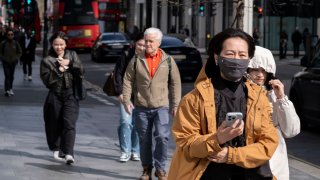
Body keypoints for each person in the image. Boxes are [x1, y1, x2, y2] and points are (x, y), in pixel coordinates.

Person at [167, 28, 278, 180]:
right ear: (217, 57)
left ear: (249, 59)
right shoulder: (194, 99)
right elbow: (186, 142)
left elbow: (268, 144)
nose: (236, 59)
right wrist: (217, 139)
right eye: (230, 54)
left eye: (242, 55)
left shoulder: (259, 98)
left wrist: (230, 155)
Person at [122, 27, 181, 180]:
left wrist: (175, 104)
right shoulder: (136, 60)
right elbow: (128, 80)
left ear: (158, 43)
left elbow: (175, 83)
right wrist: (127, 100)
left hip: (161, 106)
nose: (147, 44)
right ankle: (147, 169)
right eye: (146, 41)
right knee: (145, 140)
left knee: (162, 137)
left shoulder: (168, 60)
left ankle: (160, 168)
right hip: (141, 107)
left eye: (150, 41)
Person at [247, 46, 300, 180]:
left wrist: (281, 98)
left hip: (276, 162)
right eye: (255, 69)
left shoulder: (274, 95)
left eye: (264, 71)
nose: (260, 75)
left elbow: (291, 130)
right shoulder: (240, 95)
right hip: (249, 159)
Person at [40, 31, 84, 165]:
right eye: (56, 44)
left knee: (69, 123)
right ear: (52, 45)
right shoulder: (47, 60)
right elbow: (47, 81)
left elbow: (81, 70)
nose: (59, 47)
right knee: (54, 123)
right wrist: (59, 71)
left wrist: (70, 64)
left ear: (65, 45)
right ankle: (56, 147)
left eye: (61, 44)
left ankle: (69, 153)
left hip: (71, 94)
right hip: (55, 95)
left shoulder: (72, 55)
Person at [114, 32, 145, 162]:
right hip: (126, 95)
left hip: (142, 97)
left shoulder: (150, 58)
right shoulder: (126, 55)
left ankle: (135, 151)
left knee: (137, 124)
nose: (142, 48)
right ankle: (125, 151)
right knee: (125, 122)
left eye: (145, 45)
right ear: (134, 44)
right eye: (139, 44)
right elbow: (118, 74)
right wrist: (120, 92)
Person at [0, 29, 22, 97]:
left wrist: (16, 58)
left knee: (11, 76)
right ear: (6, 35)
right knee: (7, 75)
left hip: (13, 62)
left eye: (11, 34)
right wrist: (3, 58)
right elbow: (0, 52)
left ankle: (10, 89)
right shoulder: (3, 43)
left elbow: (20, 52)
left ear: (13, 35)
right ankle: (7, 90)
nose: (10, 36)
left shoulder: (16, 43)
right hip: (5, 62)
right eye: (9, 35)